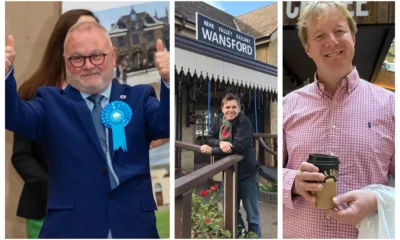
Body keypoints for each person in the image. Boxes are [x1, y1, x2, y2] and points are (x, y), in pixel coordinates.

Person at [5, 21, 170, 238]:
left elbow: (165, 124)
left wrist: (169, 80)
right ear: (66, 61)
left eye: (96, 55)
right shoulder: (49, 102)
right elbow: (13, 116)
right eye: (77, 58)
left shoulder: (139, 97)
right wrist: (4, 77)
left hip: (134, 227)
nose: (88, 65)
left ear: (113, 56)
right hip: (70, 228)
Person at [282, 1, 395, 238]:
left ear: (353, 37)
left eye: (340, 31)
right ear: (308, 49)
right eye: (320, 35)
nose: (331, 41)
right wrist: (293, 182)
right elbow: (271, 170)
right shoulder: (287, 105)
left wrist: (376, 200)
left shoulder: (391, 105)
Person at [10, 9, 99, 239]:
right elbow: (22, 156)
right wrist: (57, 194)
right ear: (62, 41)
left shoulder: (108, 94)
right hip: (47, 212)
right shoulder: (32, 92)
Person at [200, 93, 261, 238]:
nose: (230, 110)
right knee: (230, 209)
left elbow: (238, 147)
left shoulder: (244, 122)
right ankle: (241, 235)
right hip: (229, 172)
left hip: (247, 173)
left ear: (239, 108)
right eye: (227, 107)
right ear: (222, 108)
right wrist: (220, 143)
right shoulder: (219, 119)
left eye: (234, 107)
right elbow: (209, 137)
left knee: (252, 214)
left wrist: (212, 151)